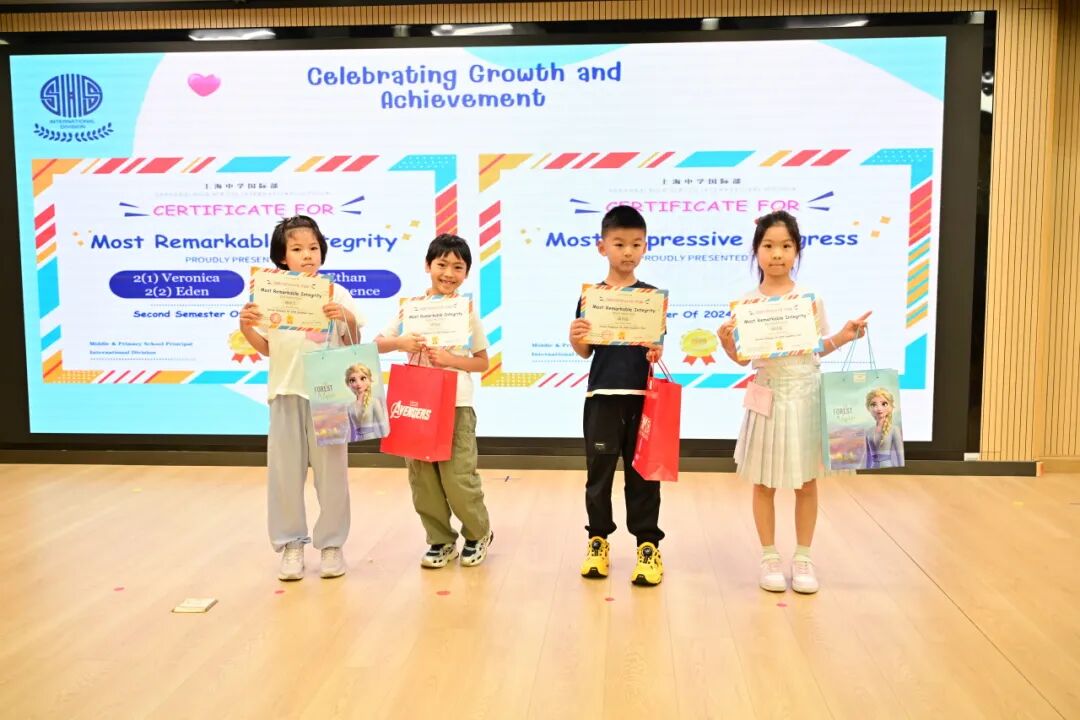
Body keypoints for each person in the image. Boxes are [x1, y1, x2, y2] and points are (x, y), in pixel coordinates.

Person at [718, 210, 870, 594]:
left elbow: (816, 349)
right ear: (756, 251)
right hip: (767, 395)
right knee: (764, 483)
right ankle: (769, 556)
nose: (777, 254)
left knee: (806, 482)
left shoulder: (810, 299)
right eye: (769, 246)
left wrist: (845, 335)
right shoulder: (745, 304)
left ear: (796, 251)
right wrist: (725, 341)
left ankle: (803, 557)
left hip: (806, 395)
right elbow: (742, 360)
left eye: (786, 246)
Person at [239, 215, 362, 581]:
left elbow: (354, 341)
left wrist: (345, 316)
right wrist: (245, 326)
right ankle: (291, 544)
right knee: (284, 473)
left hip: (328, 395)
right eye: (297, 249)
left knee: (332, 475)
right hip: (285, 390)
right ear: (282, 256)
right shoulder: (268, 293)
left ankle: (331, 545)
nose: (307, 255)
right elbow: (265, 348)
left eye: (313, 248)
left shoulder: (336, 292)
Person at [375, 234, 494, 568]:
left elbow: (482, 362)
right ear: (428, 266)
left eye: (458, 267)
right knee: (423, 480)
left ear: (466, 273)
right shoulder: (410, 308)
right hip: (416, 404)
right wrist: (401, 342)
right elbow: (378, 344)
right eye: (442, 264)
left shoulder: (466, 312)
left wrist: (450, 360)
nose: (449, 273)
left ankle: (478, 533)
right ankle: (440, 540)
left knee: (458, 478)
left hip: (456, 404)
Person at [568, 205, 665, 586]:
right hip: (602, 397)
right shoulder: (592, 297)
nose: (628, 251)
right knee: (599, 475)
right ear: (602, 246)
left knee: (644, 477)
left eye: (636, 244)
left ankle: (647, 546)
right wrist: (575, 337)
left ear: (645, 247)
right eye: (619, 243)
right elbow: (585, 351)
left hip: (643, 399)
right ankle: (597, 541)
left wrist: (655, 351)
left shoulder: (651, 297)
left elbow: (654, 349)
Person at [345, 363, 389, 441]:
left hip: (372, 440)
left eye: (362, 378)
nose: (358, 383)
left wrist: (386, 443)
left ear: (369, 380)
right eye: (353, 380)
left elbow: (383, 427)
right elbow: (351, 432)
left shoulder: (374, 402)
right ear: (348, 384)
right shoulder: (350, 407)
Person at [864, 388, 904, 469]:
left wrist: (901, 472)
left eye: (884, 404)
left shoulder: (894, 429)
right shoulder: (868, 431)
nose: (879, 408)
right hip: (872, 469)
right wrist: (866, 472)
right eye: (874, 405)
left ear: (891, 407)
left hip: (888, 469)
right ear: (869, 408)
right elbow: (868, 457)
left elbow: (900, 454)